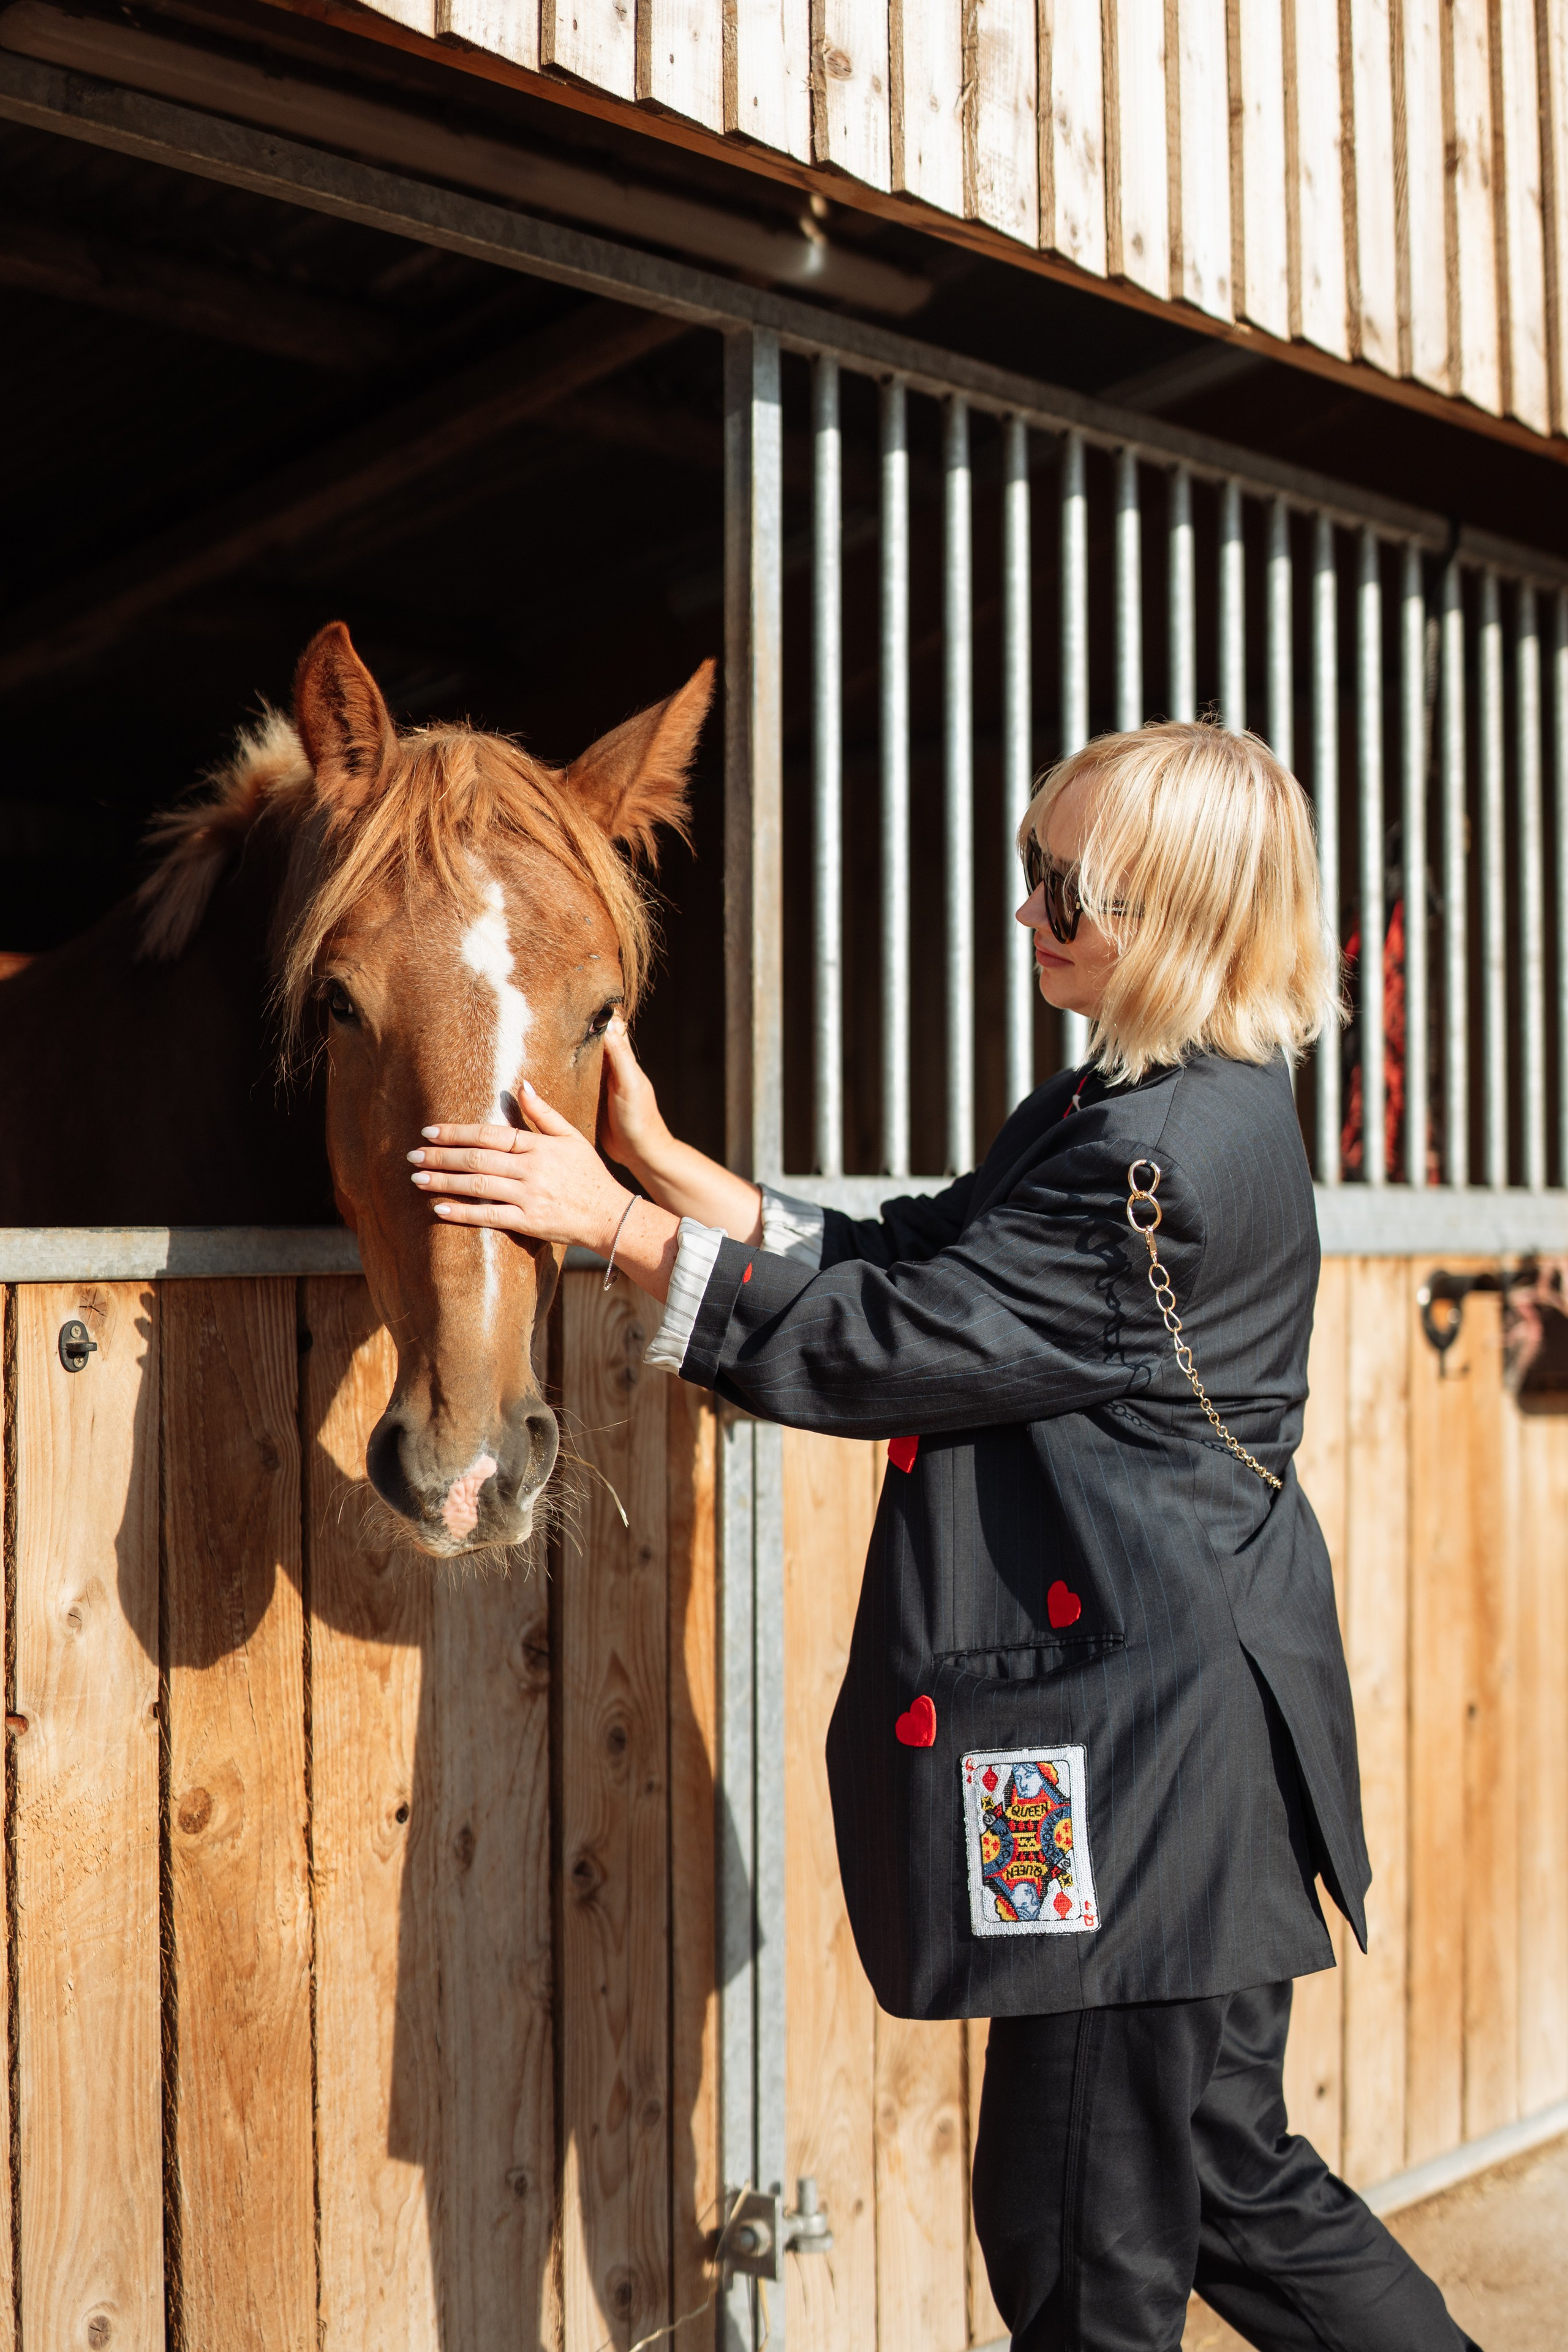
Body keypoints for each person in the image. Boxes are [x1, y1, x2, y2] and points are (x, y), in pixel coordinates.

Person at [408, 721, 1477, 2352]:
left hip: (1136, 1755)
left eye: (1069, 887)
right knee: (1233, 2181)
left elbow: (894, 1343)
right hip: (1193, 1730)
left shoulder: (1154, 1164)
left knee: (1072, 2239)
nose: (1029, 910)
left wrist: (615, 1233)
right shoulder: (1151, 1103)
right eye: (1029, 868)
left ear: (1177, 918)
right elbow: (930, 1258)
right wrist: (682, 1177)